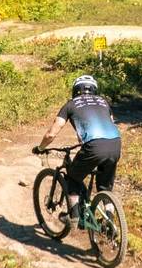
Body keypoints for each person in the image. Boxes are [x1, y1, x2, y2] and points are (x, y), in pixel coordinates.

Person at [33, 74, 121, 226]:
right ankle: (109, 223)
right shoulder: (104, 102)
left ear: (75, 90)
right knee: (105, 187)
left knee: (72, 178)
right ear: (94, 89)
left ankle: (74, 217)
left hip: (94, 146)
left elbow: (51, 133)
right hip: (115, 144)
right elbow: (110, 123)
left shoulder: (71, 104)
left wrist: (40, 148)